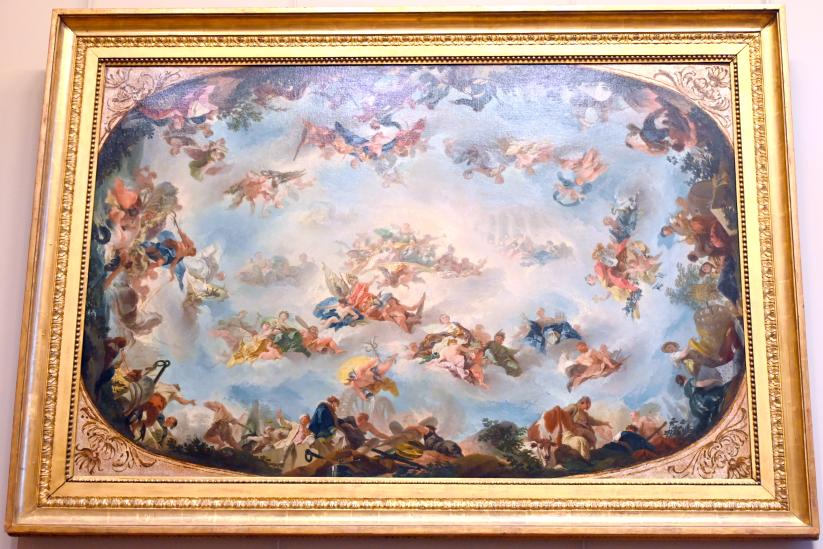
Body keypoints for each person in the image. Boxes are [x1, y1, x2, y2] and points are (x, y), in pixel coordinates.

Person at [561, 396, 611, 462]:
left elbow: (593, 421)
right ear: (582, 402)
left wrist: (604, 423)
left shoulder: (585, 414)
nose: (588, 407)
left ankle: (588, 455)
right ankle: (582, 457)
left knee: (593, 438)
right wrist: (571, 425)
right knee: (581, 441)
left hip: (583, 431)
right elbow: (563, 413)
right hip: (574, 431)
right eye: (587, 405)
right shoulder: (574, 407)